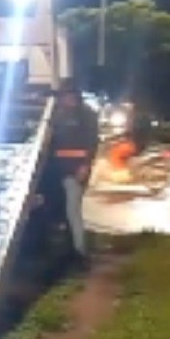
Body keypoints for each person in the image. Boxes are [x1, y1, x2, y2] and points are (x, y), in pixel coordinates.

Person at [51, 78, 99, 260]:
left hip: (75, 170)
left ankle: (79, 251)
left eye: (67, 96)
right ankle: (69, 249)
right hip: (59, 170)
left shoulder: (87, 115)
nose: (65, 100)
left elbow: (92, 143)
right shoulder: (57, 114)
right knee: (62, 211)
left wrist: (85, 166)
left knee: (72, 210)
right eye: (63, 96)